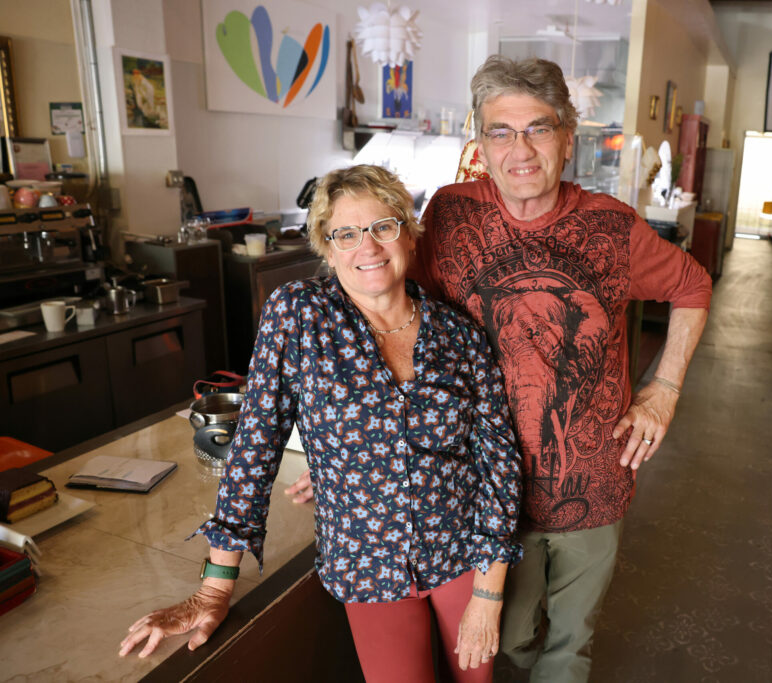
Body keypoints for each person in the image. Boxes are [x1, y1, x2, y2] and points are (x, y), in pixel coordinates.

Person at [118, 165, 523, 682]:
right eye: (346, 234)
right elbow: (256, 445)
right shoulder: (300, 316)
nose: (368, 247)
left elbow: (499, 462)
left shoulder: (459, 335)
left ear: (410, 237)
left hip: (465, 554)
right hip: (365, 565)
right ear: (328, 250)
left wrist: (489, 593)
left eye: (383, 227)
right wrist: (215, 588)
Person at [414, 55, 712, 680]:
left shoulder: (610, 226)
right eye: (501, 130)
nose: (519, 149)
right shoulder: (448, 216)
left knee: (570, 645)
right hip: (487, 488)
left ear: (567, 138)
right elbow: (399, 319)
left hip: (594, 483)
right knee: (511, 636)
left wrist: (664, 388)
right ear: (480, 142)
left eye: (538, 128)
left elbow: (693, 286)